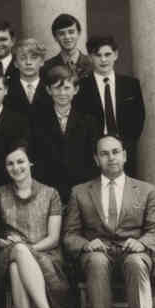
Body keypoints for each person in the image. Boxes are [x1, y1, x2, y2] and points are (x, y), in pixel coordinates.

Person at [63, 134, 155, 308]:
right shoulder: (80, 192)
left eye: (115, 152)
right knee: (97, 261)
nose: (111, 158)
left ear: (125, 155)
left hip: (133, 252)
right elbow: (69, 235)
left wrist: (142, 243)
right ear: (96, 159)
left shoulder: (146, 190)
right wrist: (86, 244)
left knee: (136, 262)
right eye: (104, 153)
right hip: (99, 253)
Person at [0, 142, 68, 308]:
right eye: (10, 163)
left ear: (30, 163)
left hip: (46, 254)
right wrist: (3, 242)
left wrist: (26, 251)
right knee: (16, 256)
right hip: (8, 254)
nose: (16, 167)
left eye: (20, 161)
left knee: (18, 265)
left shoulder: (50, 194)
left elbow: (53, 238)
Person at [75, 36, 146, 175]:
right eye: (98, 55)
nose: (103, 60)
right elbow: (79, 120)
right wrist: (96, 148)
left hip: (123, 152)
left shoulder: (130, 84)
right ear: (90, 57)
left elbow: (139, 117)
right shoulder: (81, 87)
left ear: (116, 55)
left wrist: (124, 147)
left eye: (107, 54)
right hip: (93, 154)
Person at [31, 64, 100, 204]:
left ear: (76, 89)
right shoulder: (37, 121)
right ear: (49, 90)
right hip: (48, 189)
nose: (62, 93)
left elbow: (92, 159)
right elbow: (35, 155)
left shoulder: (88, 121)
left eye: (67, 88)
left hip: (81, 189)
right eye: (57, 88)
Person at [3, 37, 52, 125]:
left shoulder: (51, 87)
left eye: (33, 57)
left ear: (42, 62)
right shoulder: (7, 88)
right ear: (16, 63)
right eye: (23, 58)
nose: (28, 62)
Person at [41, 13, 92, 82]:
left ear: (79, 33)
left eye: (71, 32)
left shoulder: (92, 64)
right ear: (55, 37)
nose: (67, 37)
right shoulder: (46, 68)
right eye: (61, 34)